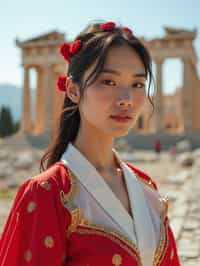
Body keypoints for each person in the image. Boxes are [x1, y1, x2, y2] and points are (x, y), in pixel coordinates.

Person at [0, 21, 180, 266]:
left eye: (137, 84)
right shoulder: (47, 194)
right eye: (108, 81)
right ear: (73, 90)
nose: (126, 99)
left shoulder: (146, 187)